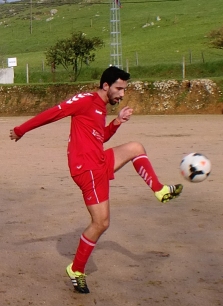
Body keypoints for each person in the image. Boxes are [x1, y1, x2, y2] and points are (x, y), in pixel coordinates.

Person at [9, 66, 183, 294]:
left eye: (124, 90)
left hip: (98, 160)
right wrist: (21, 129)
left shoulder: (101, 107)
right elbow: (53, 112)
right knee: (101, 223)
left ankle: (160, 190)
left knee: (136, 147)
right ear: (105, 86)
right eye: (119, 89)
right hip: (86, 168)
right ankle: (76, 270)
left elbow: (99, 138)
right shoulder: (86, 100)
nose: (122, 94)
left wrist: (117, 122)